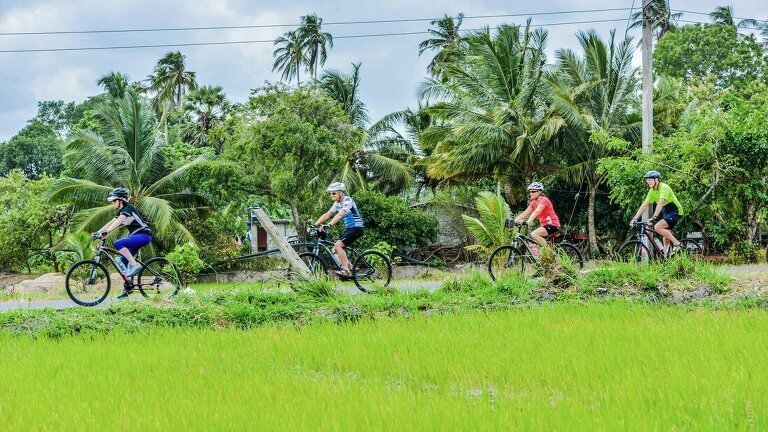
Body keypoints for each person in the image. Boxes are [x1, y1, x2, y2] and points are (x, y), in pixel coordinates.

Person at [92, 188, 153, 295]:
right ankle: (128, 288)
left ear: (121, 200)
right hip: (136, 237)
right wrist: (98, 232)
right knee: (123, 262)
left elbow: (119, 221)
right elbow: (112, 222)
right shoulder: (121, 211)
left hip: (144, 235)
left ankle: (135, 265)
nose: (112, 202)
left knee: (118, 243)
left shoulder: (128, 208)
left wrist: (107, 231)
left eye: (114, 200)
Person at [309, 182, 364, 277]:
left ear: (341, 193)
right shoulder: (336, 204)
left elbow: (340, 214)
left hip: (357, 228)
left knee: (338, 246)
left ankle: (346, 270)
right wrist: (313, 225)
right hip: (350, 229)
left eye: (334, 193)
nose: (331, 195)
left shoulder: (347, 200)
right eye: (330, 193)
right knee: (334, 249)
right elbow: (327, 215)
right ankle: (350, 267)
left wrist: (329, 225)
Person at [629, 170, 684, 256]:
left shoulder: (664, 187)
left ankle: (677, 244)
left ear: (656, 180)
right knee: (665, 237)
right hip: (666, 211)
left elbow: (660, 203)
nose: (648, 182)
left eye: (650, 179)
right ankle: (667, 258)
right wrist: (635, 219)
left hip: (675, 211)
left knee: (657, 227)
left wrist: (654, 217)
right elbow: (644, 205)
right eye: (647, 180)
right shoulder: (651, 191)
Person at [513, 182, 561, 253]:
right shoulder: (533, 203)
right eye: (530, 191)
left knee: (534, 234)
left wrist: (529, 221)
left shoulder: (544, 200)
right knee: (534, 244)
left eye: (533, 191)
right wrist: (514, 221)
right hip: (544, 226)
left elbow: (536, 212)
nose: (531, 193)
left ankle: (550, 253)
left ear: (539, 192)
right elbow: (525, 213)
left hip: (553, 224)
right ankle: (542, 259)